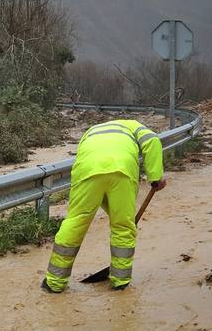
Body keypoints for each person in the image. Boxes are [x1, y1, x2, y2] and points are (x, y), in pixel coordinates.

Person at [43, 119, 164, 293]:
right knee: (123, 226)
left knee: (75, 222)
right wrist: (156, 177)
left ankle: (55, 282)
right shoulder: (133, 125)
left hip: (87, 170)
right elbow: (152, 140)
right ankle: (120, 282)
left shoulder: (90, 131)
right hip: (122, 170)